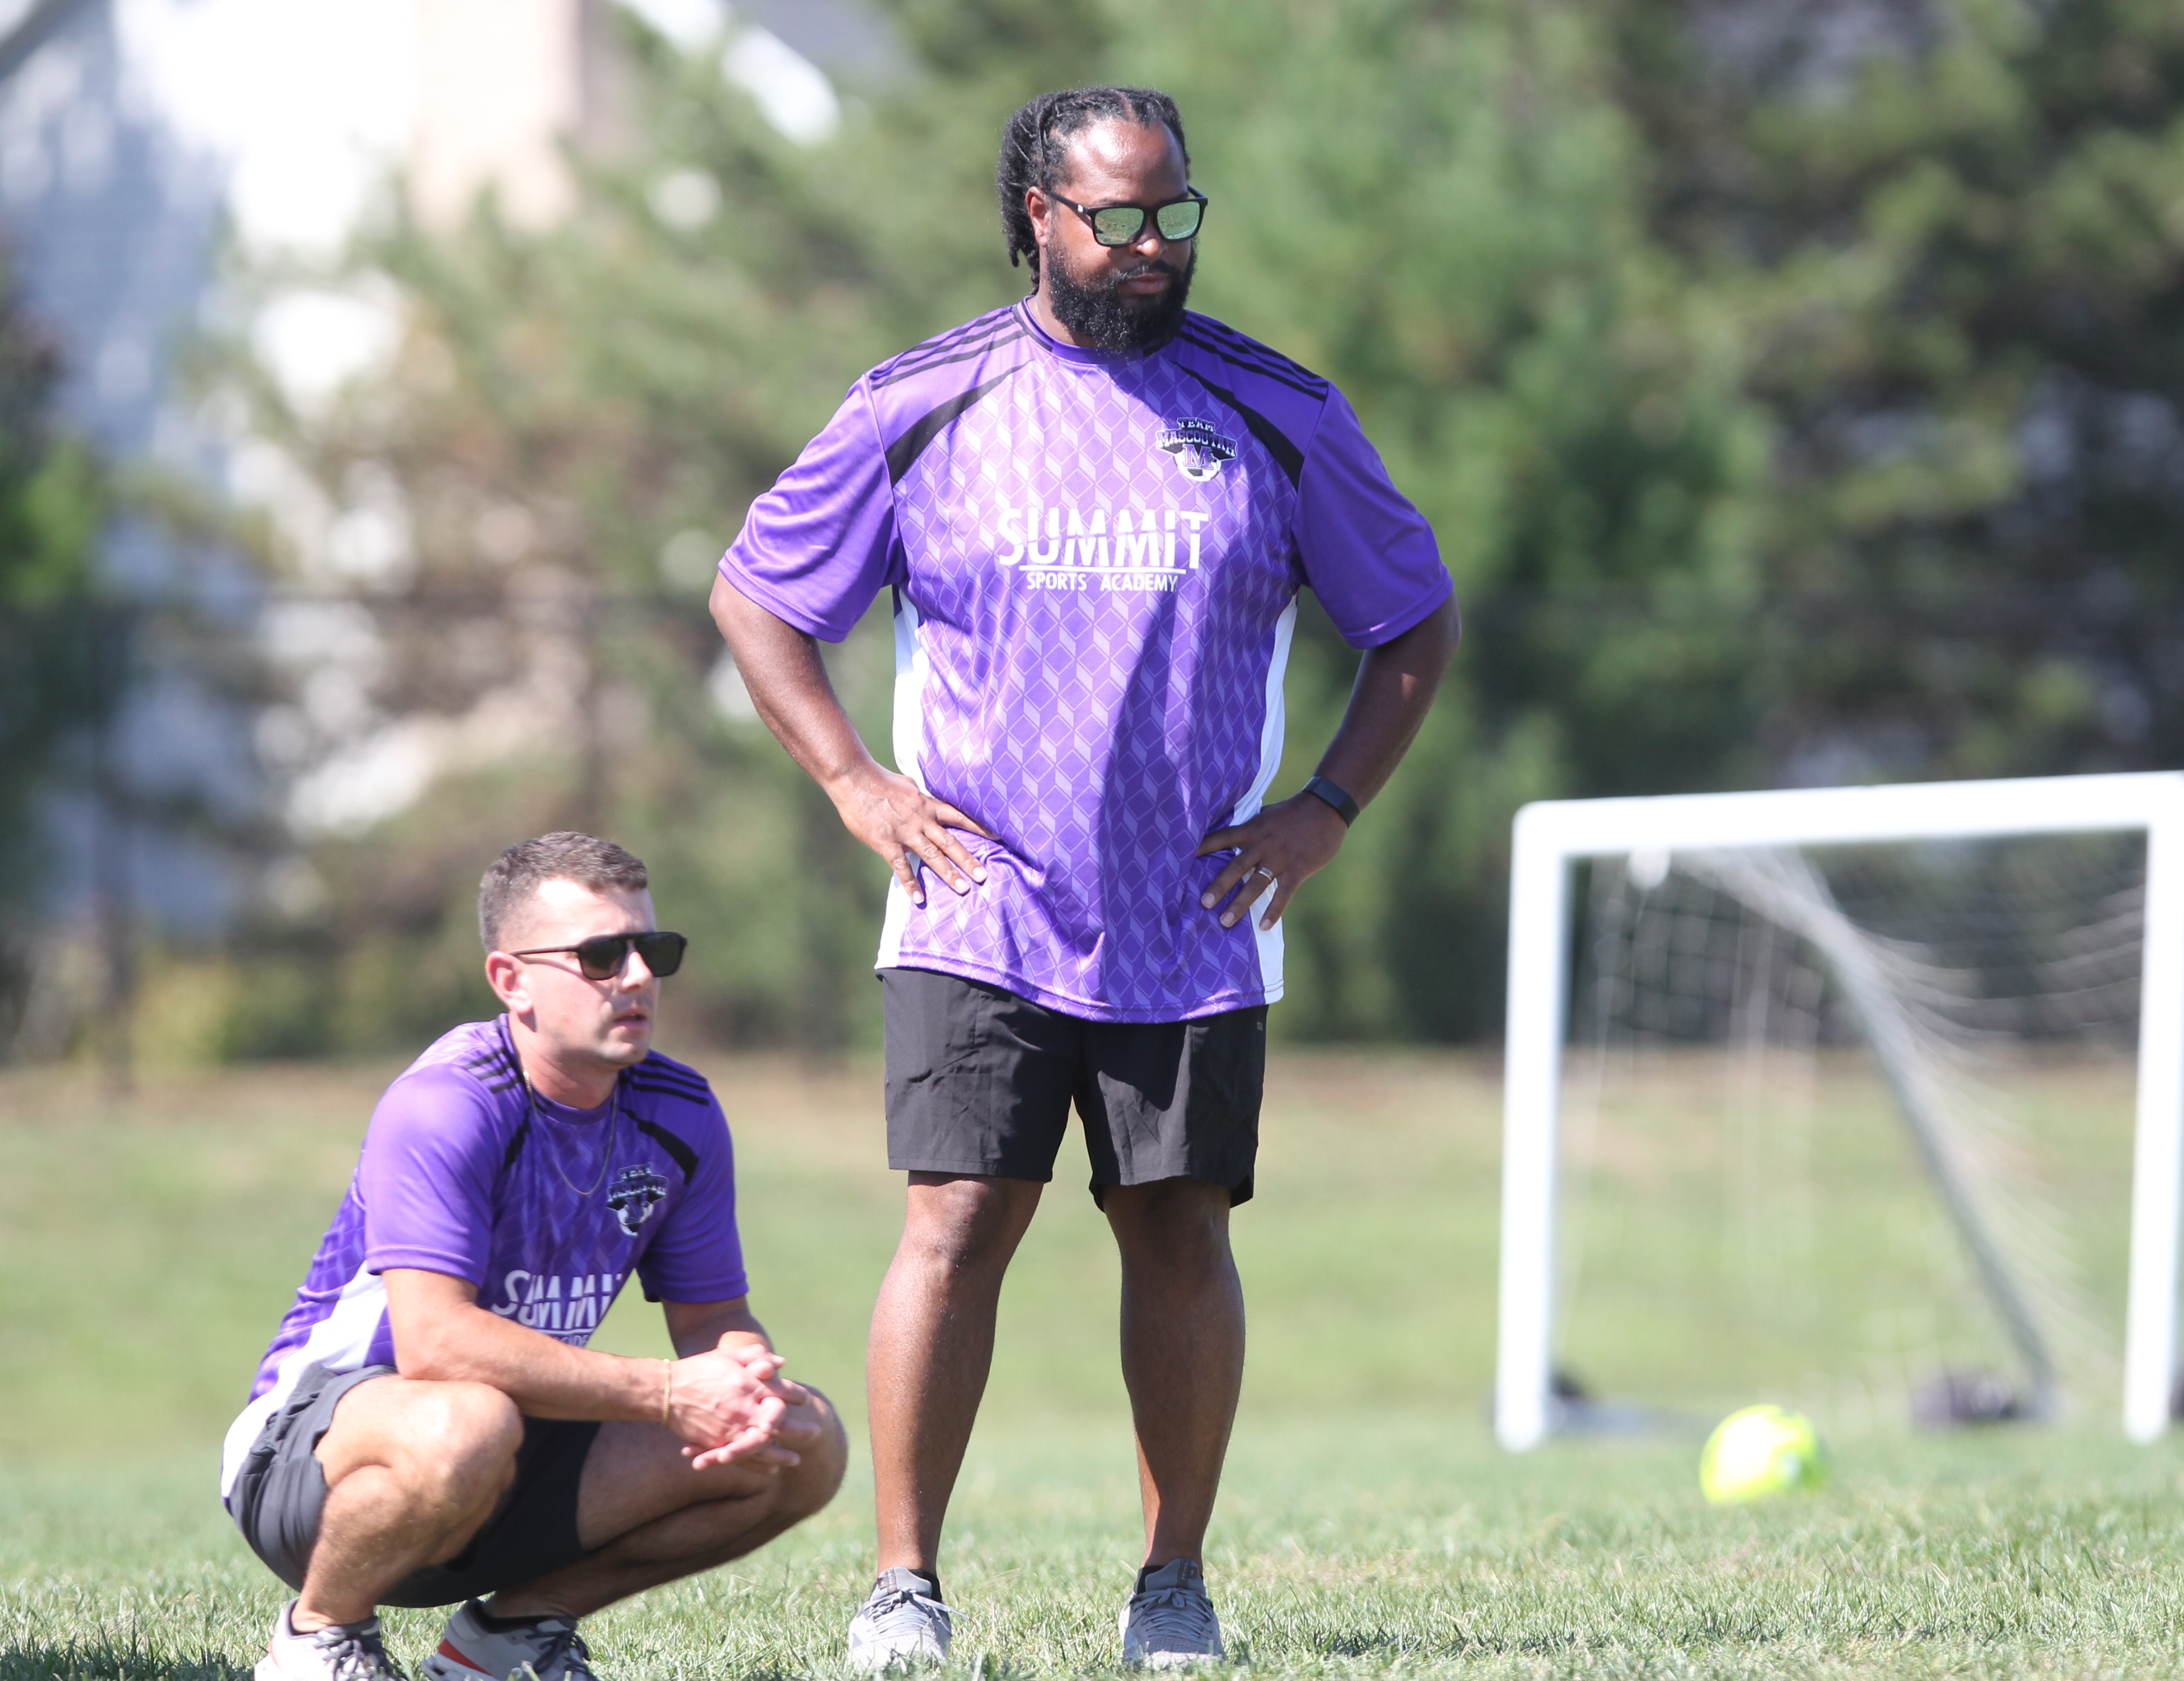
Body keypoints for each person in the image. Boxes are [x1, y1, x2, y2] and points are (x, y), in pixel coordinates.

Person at [709, 83, 1458, 1672]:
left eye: (1175, 213)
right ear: (1038, 217)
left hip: (1193, 920)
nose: (1154, 244)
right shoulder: (923, 402)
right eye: (1118, 217)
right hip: (975, 905)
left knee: (1179, 1235)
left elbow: (1414, 616)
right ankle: (903, 1589)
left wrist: (1326, 808)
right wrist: (852, 782)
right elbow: (759, 594)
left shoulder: (1276, 412)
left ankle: (1172, 1587)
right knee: (956, 1221)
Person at [220, 833, 845, 1681]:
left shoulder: (682, 1113)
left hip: (504, 1448)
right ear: (511, 981)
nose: (637, 977)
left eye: (654, 950)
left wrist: (745, 1384)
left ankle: (505, 1639)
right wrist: (668, 1392)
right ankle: (319, 1636)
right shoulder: (448, 1104)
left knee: (805, 1443)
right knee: (470, 1421)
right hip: (317, 1459)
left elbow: (713, 1316)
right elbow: (434, 1346)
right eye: (601, 956)